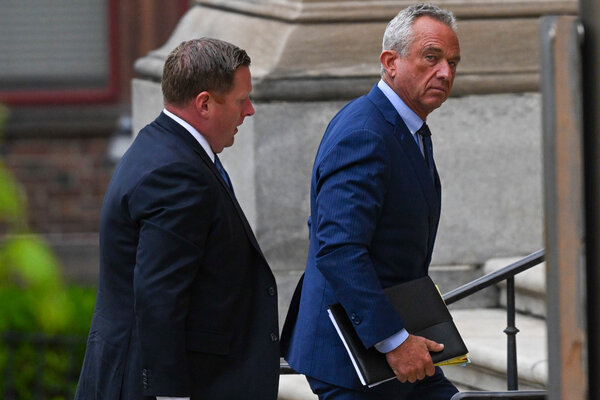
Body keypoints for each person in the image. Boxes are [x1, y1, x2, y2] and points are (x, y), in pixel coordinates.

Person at [75, 38, 280, 400]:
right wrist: (171, 396)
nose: (249, 111)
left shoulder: (164, 146)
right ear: (204, 103)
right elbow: (159, 298)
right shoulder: (175, 172)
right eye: (241, 100)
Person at [281, 3, 461, 399]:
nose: (445, 72)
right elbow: (339, 248)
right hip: (355, 360)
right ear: (390, 61)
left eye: (452, 62)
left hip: (399, 345)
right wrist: (394, 341)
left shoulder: (406, 127)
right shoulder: (364, 132)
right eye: (431, 58)